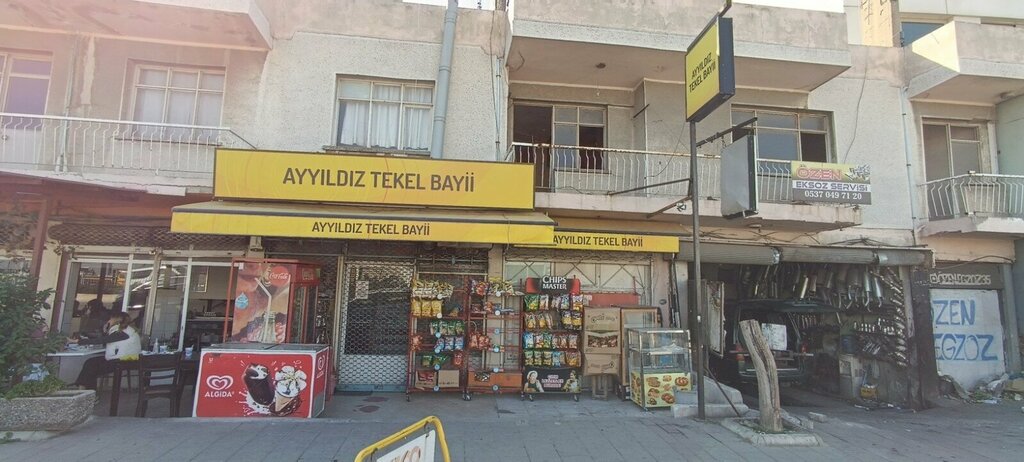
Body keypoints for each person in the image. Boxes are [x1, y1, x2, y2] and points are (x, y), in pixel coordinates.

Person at [69, 312, 142, 390]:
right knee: (91, 363)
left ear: (115, 320)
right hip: (125, 359)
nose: (108, 321)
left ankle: (84, 389)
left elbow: (102, 340)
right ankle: (85, 389)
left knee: (91, 365)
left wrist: (78, 341)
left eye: (110, 319)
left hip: (122, 362)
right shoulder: (127, 330)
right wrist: (105, 331)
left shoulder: (122, 333)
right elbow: (109, 339)